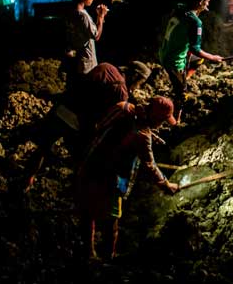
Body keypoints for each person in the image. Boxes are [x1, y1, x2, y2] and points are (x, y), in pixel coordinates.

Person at [19, 61, 152, 194]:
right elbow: (111, 118)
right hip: (77, 122)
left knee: (42, 148)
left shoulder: (106, 66)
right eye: (140, 83)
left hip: (62, 108)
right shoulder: (121, 92)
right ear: (135, 77)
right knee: (83, 160)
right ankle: (75, 191)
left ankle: (27, 180)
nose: (137, 87)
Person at [77, 96, 180, 262]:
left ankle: (87, 251)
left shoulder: (123, 107)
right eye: (162, 121)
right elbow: (150, 165)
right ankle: (108, 258)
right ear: (154, 117)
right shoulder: (143, 136)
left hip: (90, 164)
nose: (162, 125)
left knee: (88, 211)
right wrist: (166, 184)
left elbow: (102, 126)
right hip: (111, 179)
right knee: (112, 220)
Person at [157, 0, 224, 122]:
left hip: (164, 52)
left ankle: (183, 79)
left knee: (197, 60)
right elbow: (195, 49)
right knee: (182, 95)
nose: (208, 4)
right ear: (200, 1)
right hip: (174, 61)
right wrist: (213, 57)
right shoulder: (195, 22)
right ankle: (176, 121)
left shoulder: (180, 8)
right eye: (207, 1)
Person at [65, 0, 108, 93]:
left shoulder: (71, 13)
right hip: (87, 65)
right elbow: (96, 36)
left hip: (77, 62)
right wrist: (101, 17)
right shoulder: (83, 16)